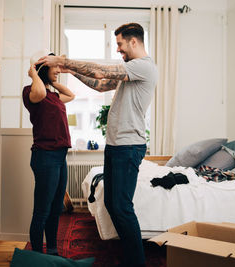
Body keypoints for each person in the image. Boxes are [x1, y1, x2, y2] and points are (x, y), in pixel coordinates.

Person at [36, 23, 158, 267]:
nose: (119, 51)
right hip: (116, 145)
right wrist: (71, 72)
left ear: (134, 42)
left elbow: (102, 72)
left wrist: (65, 61)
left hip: (128, 146)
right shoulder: (130, 72)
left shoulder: (143, 66)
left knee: (122, 207)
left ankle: (137, 263)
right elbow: (100, 84)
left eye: (121, 45)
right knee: (113, 205)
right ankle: (130, 257)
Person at [22, 52, 75, 256]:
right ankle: (36, 256)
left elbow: (71, 95)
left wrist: (57, 73)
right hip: (45, 157)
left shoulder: (53, 95)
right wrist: (34, 73)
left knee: (56, 209)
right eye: (55, 68)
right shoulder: (31, 91)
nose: (58, 72)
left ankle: (52, 252)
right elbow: (40, 93)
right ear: (44, 68)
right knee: (42, 211)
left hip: (60, 158)